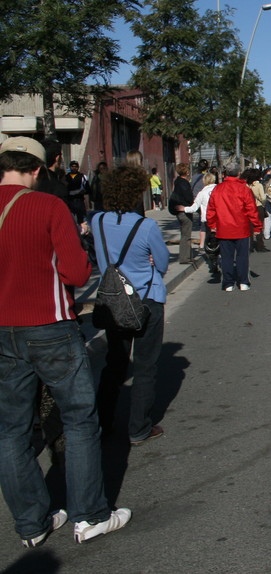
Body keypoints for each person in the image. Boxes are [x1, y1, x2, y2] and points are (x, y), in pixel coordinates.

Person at [0, 137, 132, 547]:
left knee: (11, 431)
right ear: (38, 169)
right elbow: (76, 272)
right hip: (50, 325)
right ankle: (90, 514)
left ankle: (32, 523)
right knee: (78, 420)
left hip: (3, 331)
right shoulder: (47, 205)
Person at [91, 165, 170, 445]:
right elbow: (161, 264)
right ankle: (139, 427)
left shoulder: (97, 221)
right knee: (145, 366)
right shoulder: (145, 226)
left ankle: (103, 422)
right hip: (146, 298)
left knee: (115, 363)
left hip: (113, 300)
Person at [207, 164, 261, 292]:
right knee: (242, 257)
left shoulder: (218, 189)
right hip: (241, 228)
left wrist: (212, 225)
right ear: (238, 174)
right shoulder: (244, 189)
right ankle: (243, 282)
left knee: (226, 258)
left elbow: (211, 209)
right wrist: (257, 226)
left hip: (224, 227)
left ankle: (228, 283)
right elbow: (251, 209)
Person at [169, 163, 195, 264]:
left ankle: (187, 255)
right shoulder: (184, 183)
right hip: (185, 210)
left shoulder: (177, 182)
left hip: (179, 210)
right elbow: (188, 197)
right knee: (186, 235)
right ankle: (185, 257)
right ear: (186, 171)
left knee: (184, 233)